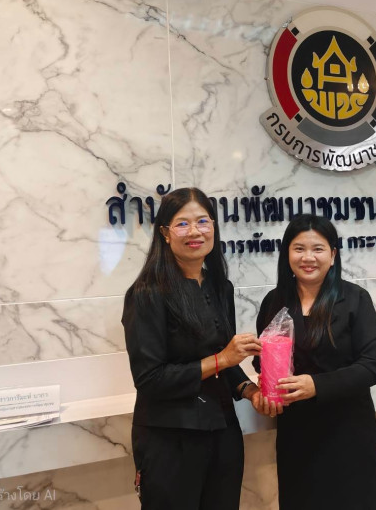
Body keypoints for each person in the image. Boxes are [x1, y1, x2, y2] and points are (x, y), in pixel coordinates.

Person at [121, 187, 263, 510]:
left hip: (223, 432)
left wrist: (250, 390)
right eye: (183, 224)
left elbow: (225, 360)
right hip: (171, 438)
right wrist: (222, 358)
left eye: (203, 221)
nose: (195, 231)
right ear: (165, 233)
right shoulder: (146, 293)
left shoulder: (220, 287)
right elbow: (150, 379)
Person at [253, 214, 376, 510]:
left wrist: (316, 385)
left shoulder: (355, 299)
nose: (308, 258)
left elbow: (372, 365)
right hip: (296, 432)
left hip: (347, 430)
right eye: (299, 248)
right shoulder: (274, 301)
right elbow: (262, 361)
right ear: (287, 253)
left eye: (318, 249)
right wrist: (266, 387)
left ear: (333, 254)